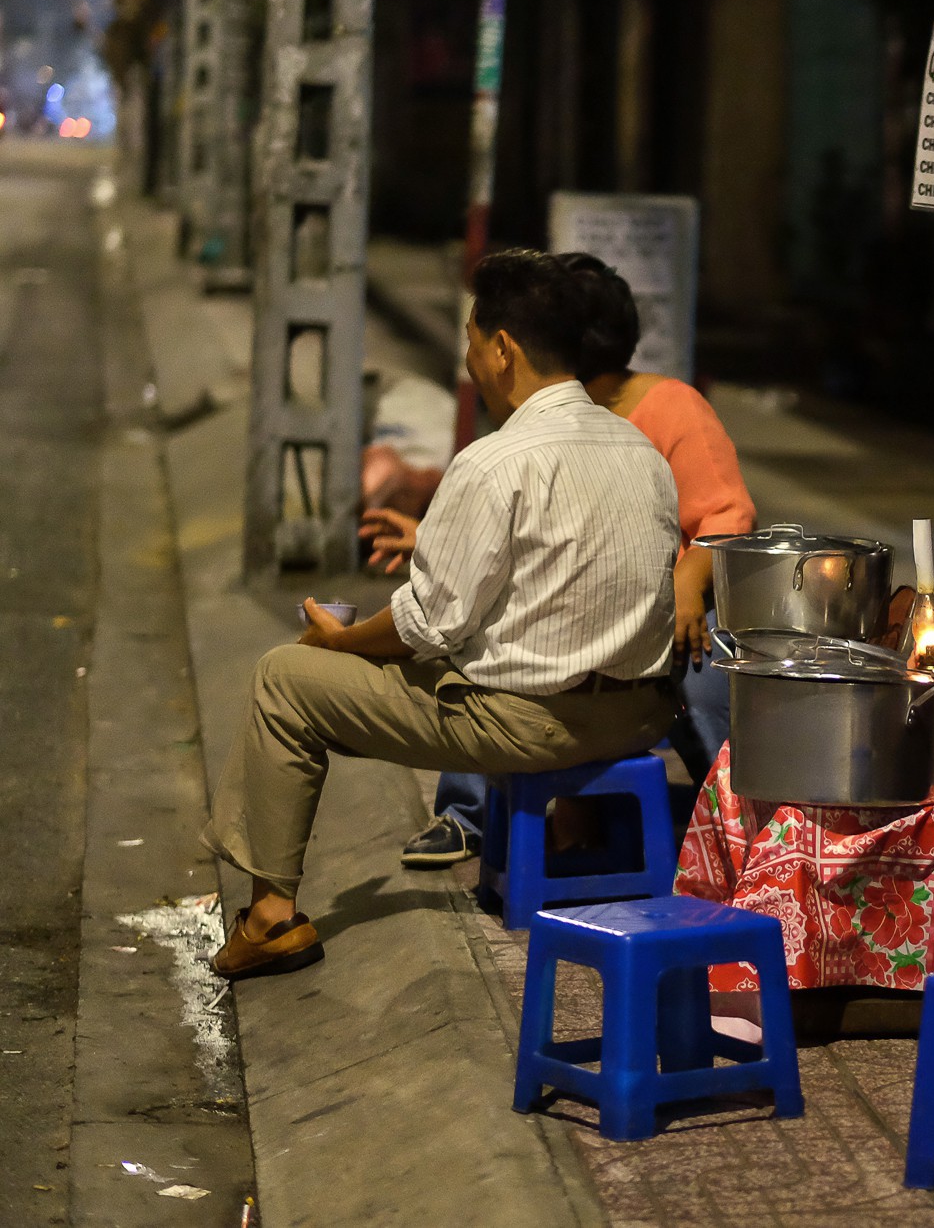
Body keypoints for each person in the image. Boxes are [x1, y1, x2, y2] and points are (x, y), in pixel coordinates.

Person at [202, 250, 683, 979]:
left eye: (470, 340)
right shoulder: (640, 449)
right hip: (640, 714)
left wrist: (342, 642)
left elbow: (425, 625)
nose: (468, 360)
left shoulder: (494, 461)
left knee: (284, 677)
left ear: (503, 348)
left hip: (532, 724)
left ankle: (270, 919)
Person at [366, 253, 757, 866]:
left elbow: (729, 517)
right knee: (480, 640)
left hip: (661, 613)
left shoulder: (668, 409)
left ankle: (737, 827)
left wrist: (686, 582)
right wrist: (436, 540)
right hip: (569, 604)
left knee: (703, 678)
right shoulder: (539, 416)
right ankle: (467, 814)